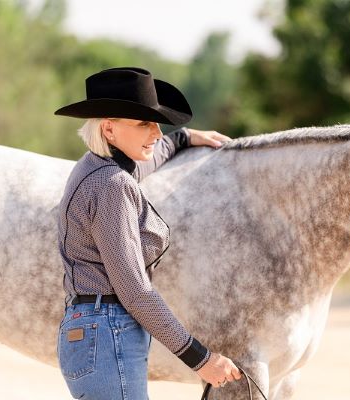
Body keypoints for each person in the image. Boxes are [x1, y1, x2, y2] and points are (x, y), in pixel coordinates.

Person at [54, 67, 241, 400]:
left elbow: (145, 161)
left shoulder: (95, 165)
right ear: (109, 129)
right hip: (108, 333)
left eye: (157, 123)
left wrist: (183, 138)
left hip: (94, 331)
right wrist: (200, 359)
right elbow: (136, 292)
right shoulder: (112, 185)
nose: (156, 132)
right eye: (144, 123)